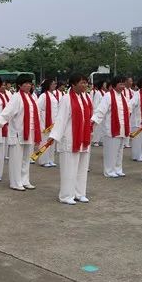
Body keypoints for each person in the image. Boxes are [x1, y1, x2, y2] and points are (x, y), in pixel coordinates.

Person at [0, 74, 41, 191]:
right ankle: (15, 182)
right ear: (19, 85)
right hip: (18, 133)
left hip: (29, 132)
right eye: (25, 83)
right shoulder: (16, 97)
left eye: (30, 83)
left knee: (26, 159)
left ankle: (25, 180)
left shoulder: (32, 97)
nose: (28, 85)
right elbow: (7, 111)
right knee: (16, 159)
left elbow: (36, 115)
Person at [49, 73, 92, 204]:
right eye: (81, 83)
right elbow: (61, 119)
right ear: (73, 85)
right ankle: (66, 195)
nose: (84, 85)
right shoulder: (66, 98)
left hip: (83, 138)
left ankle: (80, 193)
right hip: (70, 137)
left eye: (86, 82)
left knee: (82, 168)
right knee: (69, 168)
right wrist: (54, 136)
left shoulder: (86, 97)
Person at [91, 76, 130, 178]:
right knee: (111, 151)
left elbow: (127, 111)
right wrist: (94, 120)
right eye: (120, 84)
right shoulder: (108, 96)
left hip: (122, 128)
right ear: (114, 85)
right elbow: (101, 110)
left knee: (119, 151)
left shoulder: (124, 98)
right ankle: (109, 170)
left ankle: (118, 168)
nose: (122, 86)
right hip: (111, 129)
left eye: (123, 84)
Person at [37, 79, 60, 168]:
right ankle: (43, 160)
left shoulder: (53, 95)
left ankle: (50, 159)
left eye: (55, 83)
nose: (55, 85)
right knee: (44, 142)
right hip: (45, 122)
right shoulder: (43, 96)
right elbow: (38, 108)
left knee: (51, 142)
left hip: (53, 122)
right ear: (48, 85)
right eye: (53, 84)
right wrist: (41, 121)